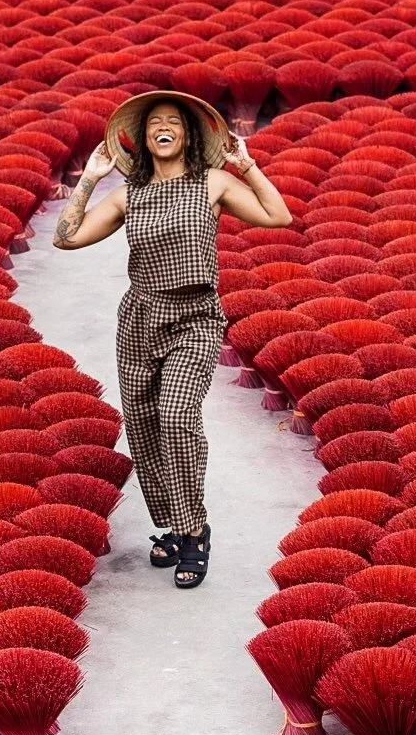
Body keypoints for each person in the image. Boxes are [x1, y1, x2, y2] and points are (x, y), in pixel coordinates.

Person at [52, 91, 292, 588]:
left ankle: (193, 529)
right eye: (154, 123)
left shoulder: (212, 183)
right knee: (142, 427)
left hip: (195, 317)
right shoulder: (128, 195)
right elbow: (65, 238)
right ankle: (173, 525)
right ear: (142, 139)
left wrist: (248, 166)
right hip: (139, 320)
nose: (163, 128)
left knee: (178, 416)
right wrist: (92, 180)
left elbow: (278, 216)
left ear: (186, 136)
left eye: (173, 123)